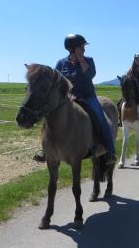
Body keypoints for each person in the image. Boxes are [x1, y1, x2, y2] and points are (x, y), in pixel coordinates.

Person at [33, 34, 116, 164]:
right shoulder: (61, 63)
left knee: (101, 118)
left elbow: (90, 75)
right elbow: (57, 83)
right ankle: (45, 149)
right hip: (68, 99)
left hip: (87, 97)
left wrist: (80, 59)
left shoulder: (88, 60)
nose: (84, 49)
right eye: (82, 47)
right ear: (73, 48)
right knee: (49, 115)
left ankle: (110, 151)